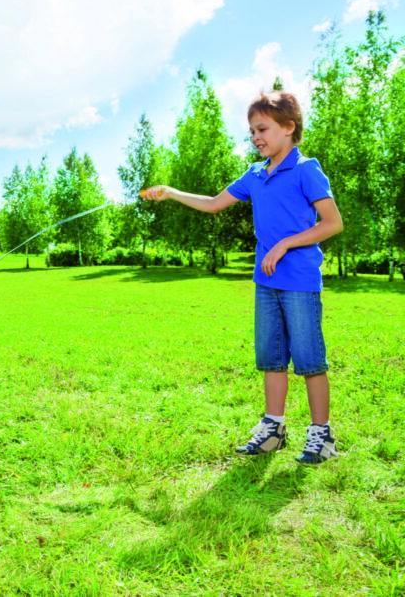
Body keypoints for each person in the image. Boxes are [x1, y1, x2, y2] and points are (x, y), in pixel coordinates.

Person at [144, 90, 343, 464]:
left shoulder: (306, 169)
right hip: (265, 283)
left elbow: (333, 224)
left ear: (289, 127)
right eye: (252, 131)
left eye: (263, 129)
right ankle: (274, 429)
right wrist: (170, 192)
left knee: (309, 359)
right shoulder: (255, 174)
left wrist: (284, 244)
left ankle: (322, 436)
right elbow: (214, 204)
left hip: (299, 282)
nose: (256, 137)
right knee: (271, 358)